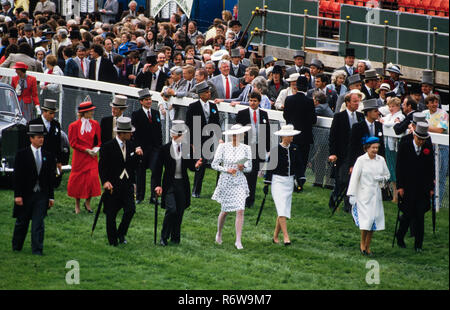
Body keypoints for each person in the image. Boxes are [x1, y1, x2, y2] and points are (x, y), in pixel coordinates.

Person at [153, 121, 203, 246]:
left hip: (182, 184)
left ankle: (175, 238)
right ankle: (164, 237)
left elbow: (190, 166)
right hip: (169, 184)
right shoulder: (164, 149)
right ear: (174, 135)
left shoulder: (187, 148)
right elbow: (157, 169)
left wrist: (196, 165)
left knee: (180, 211)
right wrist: (157, 185)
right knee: (172, 209)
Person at [12, 124, 56, 256]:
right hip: (26, 194)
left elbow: (50, 179)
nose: (41, 140)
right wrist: (18, 195)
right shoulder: (22, 154)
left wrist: (50, 197)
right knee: (22, 221)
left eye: (42, 137)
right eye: (38, 137)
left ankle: (37, 250)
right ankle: (17, 246)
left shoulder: (48, 156)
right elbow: (17, 177)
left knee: (38, 223)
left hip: (41, 194)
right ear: (31, 139)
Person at [99, 116, 143, 246]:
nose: (131, 134)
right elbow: (102, 166)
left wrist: (137, 156)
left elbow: (132, 166)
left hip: (127, 184)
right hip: (113, 184)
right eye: (129, 132)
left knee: (130, 210)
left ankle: (121, 233)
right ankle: (112, 241)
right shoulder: (108, 147)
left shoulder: (131, 145)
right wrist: (105, 181)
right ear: (122, 133)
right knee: (111, 214)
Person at [396, 122, 435, 253]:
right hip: (407, 187)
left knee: (419, 216)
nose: (421, 142)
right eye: (419, 139)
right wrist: (400, 186)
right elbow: (399, 167)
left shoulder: (428, 148)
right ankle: (400, 236)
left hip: (422, 188)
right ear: (414, 136)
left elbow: (431, 168)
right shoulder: (405, 145)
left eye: (423, 139)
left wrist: (430, 187)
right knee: (407, 215)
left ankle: (418, 245)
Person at [211, 124, 252, 250]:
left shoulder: (246, 148)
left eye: (237, 135)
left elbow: (250, 168)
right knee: (225, 211)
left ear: (242, 135)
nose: (235, 137)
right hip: (226, 181)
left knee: (240, 209)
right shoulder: (223, 147)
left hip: (239, 181)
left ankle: (238, 240)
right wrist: (226, 169)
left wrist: (243, 167)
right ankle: (219, 233)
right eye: (233, 135)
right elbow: (214, 164)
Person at [347, 136, 390, 256]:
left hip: (376, 195)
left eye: (377, 148)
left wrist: (381, 178)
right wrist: (352, 194)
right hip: (363, 194)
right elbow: (354, 178)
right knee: (366, 220)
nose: (375, 150)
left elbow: (387, 175)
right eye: (373, 148)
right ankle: (362, 244)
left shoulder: (380, 160)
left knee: (373, 220)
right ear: (367, 148)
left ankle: (368, 245)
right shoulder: (361, 160)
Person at [264, 125, 302, 245]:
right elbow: (270, 168)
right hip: (277, 181)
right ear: (283, 137)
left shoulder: (295, 148)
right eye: (290, 135)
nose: (292, 137)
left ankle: (275, 237)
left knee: (284, 210)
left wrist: (300, 179)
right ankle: (286, 237)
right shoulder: (276, 149)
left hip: (289, 181)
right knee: (281, 210)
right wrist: (267, 183)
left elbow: (299, 165)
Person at [329, 91, 365, 212]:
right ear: (347, 103)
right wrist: (333, 153)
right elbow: (333, 136)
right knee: (342, 179)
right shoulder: (339, 117)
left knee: (353, 180)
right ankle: (334, 196)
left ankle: (348, 204)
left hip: (355, 154)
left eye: (358, 101)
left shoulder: (360, 117)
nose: (357, 104)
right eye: (354, 101)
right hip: (342, 153)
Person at [185, 82, 222, 198]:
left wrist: (219, 138)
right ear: (201, 94)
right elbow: (188, 125)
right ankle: (196, 190)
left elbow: (216, 123)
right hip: (197, 139)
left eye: (209, 91)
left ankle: (218, 190)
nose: (209, 93)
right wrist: (191, 143)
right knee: (200, 164)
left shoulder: (213, 106)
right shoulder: (193, 107)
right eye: (206, 92)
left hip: (210, 139)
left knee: (213, 162)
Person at [236, 91, 271, 208]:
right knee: (244, 173)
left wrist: (267, 149)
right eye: (250, 100)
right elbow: (237, 131)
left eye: (255, 101)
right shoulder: (242, 113)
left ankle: (250, 199)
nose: (252, 103)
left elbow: (267, 132)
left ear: (259, 102)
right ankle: (241, 197)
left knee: (253, 174)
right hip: (245, 147)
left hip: (258, 148)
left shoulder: (264, 114)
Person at [67, 99, 102, 214]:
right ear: (84, 113)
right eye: (90, 111)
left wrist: (96, 149)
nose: (92, 113)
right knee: (79, 180)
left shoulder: (95, 124)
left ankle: (88, 202)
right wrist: (85, 150)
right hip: (80, 157)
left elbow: (98, 141)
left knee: (92, 178)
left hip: (92, 157)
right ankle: (77, 204)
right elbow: (73, 143)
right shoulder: (74, 126)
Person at [283, 75, 317, 190]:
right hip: (304, 137)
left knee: (291, 159)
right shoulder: (309, 102)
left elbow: (285, 116)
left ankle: (290, 181)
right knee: (302, 160)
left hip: (291, 135)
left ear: (296, 87)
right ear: (307, 87)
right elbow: (313, 120)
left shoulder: (288, 99)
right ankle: (300, 182)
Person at [131, 88, 163, 204]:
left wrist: (160, 147)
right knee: (140, 172)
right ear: (141, 101)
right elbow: (134, 133)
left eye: (150, 99)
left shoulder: (155, 113)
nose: (149, 102)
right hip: (142, 149)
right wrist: (137, 146)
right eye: (146, 100)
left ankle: (154, 197)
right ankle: (139, 196)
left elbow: (159, 131)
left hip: (154, 148)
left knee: (156, 171)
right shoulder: (136, 115)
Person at [422, 94, 449, 208]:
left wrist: (423, 127)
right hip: (427, 146)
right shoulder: (424, 114)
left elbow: (439, 130)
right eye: (431, 102)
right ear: (427, 104)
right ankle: (426, 200)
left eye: (436, 102)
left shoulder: (443, 114)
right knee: (426, 173)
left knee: (440, 175)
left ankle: (437, 203)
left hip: (442, 147)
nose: (434, 104)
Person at [28, 99, 62, 177]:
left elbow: (58, 143)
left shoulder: (56, 124)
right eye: (50, 113)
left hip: (51, 159)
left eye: (54, 113)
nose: (52, 116)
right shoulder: (34, 123)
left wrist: (59, 161)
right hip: (38, 157)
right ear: (44, 112)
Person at [380, 97, 405, 202]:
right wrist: (384, 121)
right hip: (387, 145)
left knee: (395, 169)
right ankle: (393, 195)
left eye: (393, 106)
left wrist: (384, 122)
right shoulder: (389, 115)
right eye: (389, 106)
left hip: (395, 147)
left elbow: (391, 124)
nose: (391, 108)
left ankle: (397, 196)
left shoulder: (401, 116)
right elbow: (382, 120)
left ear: (398, 106)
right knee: (390, 169)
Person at [348, 99, 385, 171]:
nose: (378, 113)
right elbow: (352, 146)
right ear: (368, 113)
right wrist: (352, 165)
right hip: (361, 162)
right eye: (375, 111)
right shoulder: (357, 127)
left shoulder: (379, 125)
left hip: (375, 161)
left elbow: (382, 146)